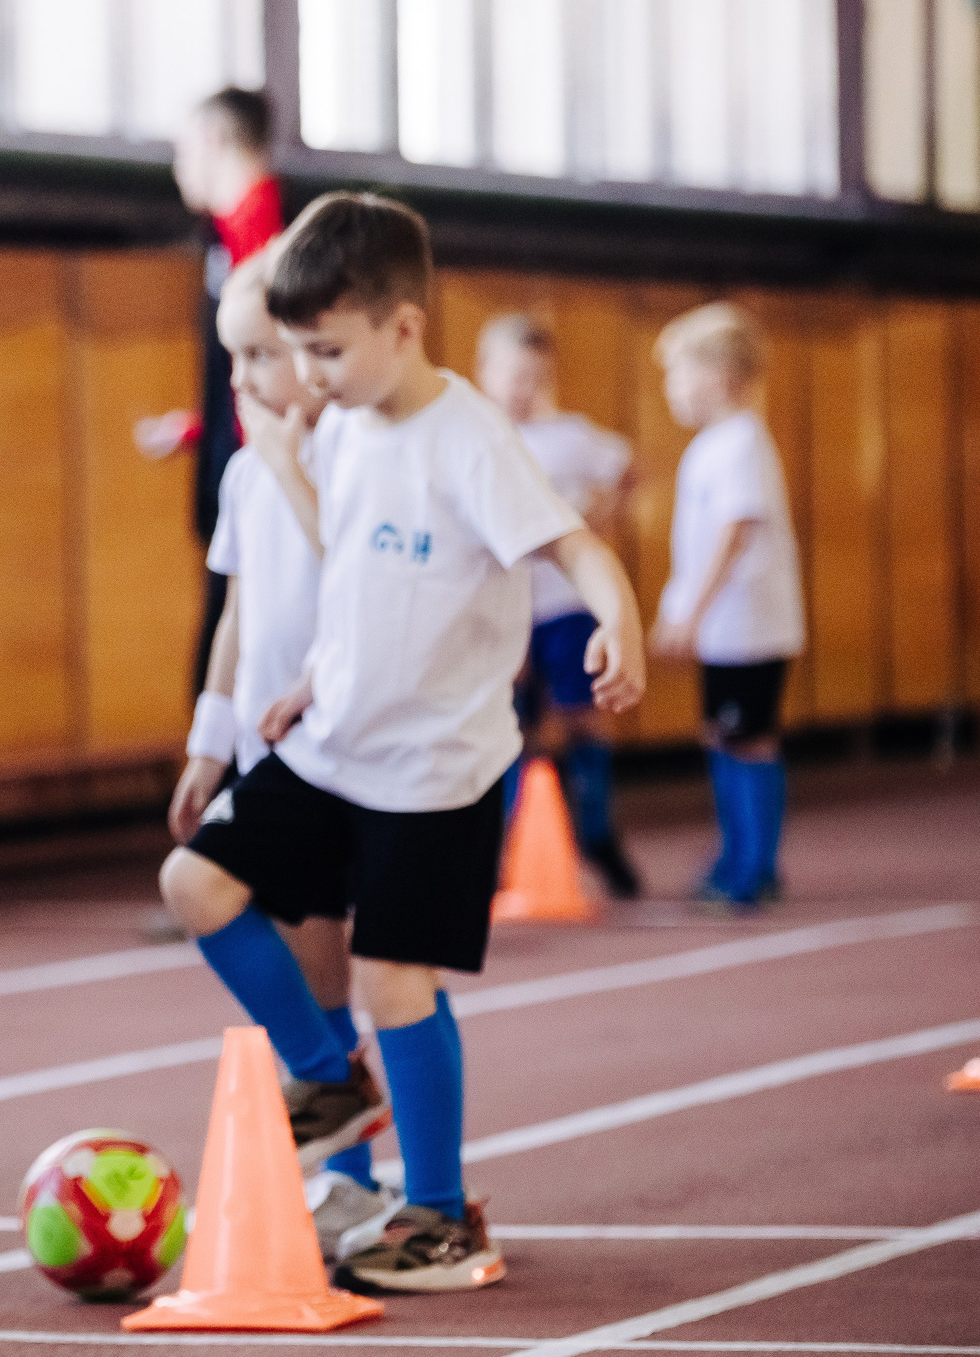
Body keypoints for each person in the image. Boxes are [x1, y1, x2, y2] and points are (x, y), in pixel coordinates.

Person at [158, 193, 646, 1294]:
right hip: (330, 742)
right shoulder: (344, 425)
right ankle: (330, 1079)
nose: (309, 374)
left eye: (326, 350)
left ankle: (437, 1213)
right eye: (296, 351)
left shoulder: (467, 437)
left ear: (403, 329)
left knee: (394, 977)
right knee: (195, 884)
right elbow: (362, 580)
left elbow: (571, 544)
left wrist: (615, 620)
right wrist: (298, 688)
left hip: (433, 769)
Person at [165, 247, 396, 1259]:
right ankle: (339, 1123)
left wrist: (290, 462)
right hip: (266, 746)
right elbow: (239, 607)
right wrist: (206, 742)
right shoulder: (245, 466)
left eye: (264, 354)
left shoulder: (346, 450)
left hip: (343, 744)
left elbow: (346, 560)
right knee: (306, 965)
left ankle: (368, 1171)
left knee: (339, 966)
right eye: (234, 360)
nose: (245, 381)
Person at [474, 312, 644, 897]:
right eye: (513, 374)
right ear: (485, 374)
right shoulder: (483, 441)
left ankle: (599, 832)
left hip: (566, 607)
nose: (523, 387)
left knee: (581, 716)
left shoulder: (569, 437)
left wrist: (602, 519)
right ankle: (501, 847)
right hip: (509, 613)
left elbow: (629, 469)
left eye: (534, 375)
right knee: (512, 726)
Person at [650, 302, 805, 909]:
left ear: (716, 376)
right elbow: (695, 544)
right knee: (723, 734)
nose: (671, 389)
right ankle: (739, 852)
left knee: (748, 739)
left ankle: (753, 866)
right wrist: (678, 606)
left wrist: (693, 612)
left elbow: (734, 531)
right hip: (725, 629)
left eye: (677, 373)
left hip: (749, 626)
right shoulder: (713, 445)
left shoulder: (741, 442)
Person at [136, 87, 285, 697]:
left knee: (238, 655)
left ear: (214, 141)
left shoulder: (268, 237)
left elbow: (282, 369)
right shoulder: (227, 238)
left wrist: (258, 455)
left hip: (260, 476)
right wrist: (200, 428)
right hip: (235, 461)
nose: (179, 168)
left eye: (183, 150)